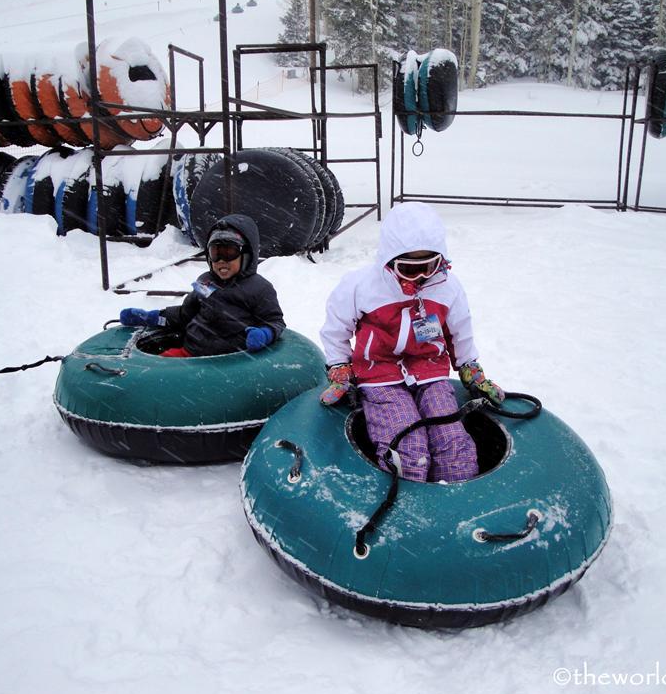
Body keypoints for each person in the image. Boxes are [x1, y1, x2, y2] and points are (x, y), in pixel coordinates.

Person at [319, 201, 504, 483]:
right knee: (408, 446)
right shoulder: (363, 286)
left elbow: (460, 331)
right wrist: (340, 366)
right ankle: (405, 504)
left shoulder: (446, 287)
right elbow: (336, 327)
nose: (420, 277)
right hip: (379, 374)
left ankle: (453, 505)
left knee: (453, 442)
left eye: (428, 266)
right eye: (409, 268)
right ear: (390, 259)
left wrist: (470, 367)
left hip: (430, 372)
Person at [118, 214, 285, 357]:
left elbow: (275, 321)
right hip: (191, 353)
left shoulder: (260, 288)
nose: (221, 261)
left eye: (229, 253)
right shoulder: (205, 281)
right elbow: (185, 314)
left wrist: (264, 333)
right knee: (153, 371)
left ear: (247, 255)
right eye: (215, 253)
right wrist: (153, 317)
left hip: (231, 363)